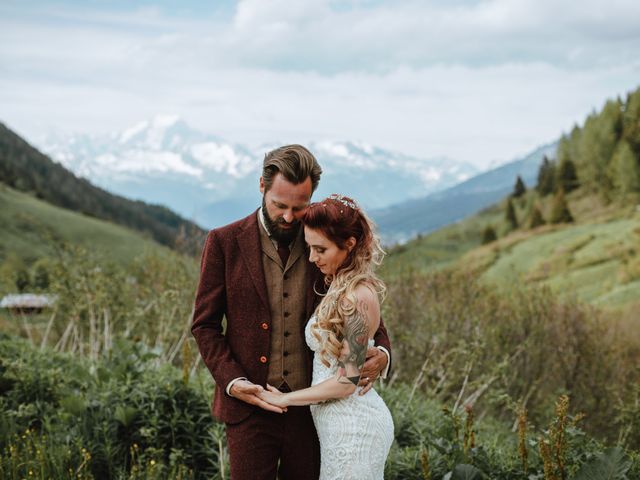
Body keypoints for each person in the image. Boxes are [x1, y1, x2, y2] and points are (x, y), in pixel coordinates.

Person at [191, 145, 392, 480]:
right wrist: (233, 382)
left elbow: (363, 305)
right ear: (261, 186)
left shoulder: (325, 241)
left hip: (313, 414)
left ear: (311, 197)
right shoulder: (223, 242)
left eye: (298, 208)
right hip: (250, 410)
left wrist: (382, 352)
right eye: (279, 205)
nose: (288, 217)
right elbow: (205, 325)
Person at [257, 194, 394, 480]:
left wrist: (286, 399)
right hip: (335, 426)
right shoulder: (338, 285)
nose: (311, 258)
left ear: (349, 245)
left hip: (355, 427)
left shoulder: (359, 296)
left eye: (320, 249)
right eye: (309, 248)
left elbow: (346, 382)